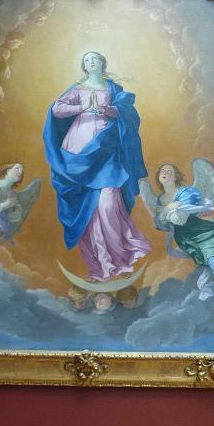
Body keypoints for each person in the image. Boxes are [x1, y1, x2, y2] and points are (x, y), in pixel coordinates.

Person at [43, 51, 151, 282]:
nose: (90, 61)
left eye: (94, 58)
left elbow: (129, 115)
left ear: (102, 62)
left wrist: (109, 110)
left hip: (106, 150)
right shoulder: (78, 89)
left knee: (109, 205)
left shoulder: (114, 89)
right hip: (78, 151)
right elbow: (56, 110)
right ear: (84, 66)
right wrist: (80, 107)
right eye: (86, 60)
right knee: (87, 210)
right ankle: (99, 267)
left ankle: (120, 260)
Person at [154, 163, 214, 276]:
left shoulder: (187, 193)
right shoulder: (160, 199)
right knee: (211, 266)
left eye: (169, 171)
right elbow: (160, 224)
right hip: (185, 240)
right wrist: (168, 209)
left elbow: (180, 219)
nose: (165, 173)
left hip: (201, 234)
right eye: (162, 170)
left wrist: (165, 212)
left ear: (175, 177)